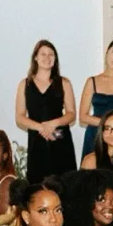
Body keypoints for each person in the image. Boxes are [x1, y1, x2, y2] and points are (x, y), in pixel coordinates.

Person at [15, 38, 76, 183]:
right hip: (36, 140)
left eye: (51, 54)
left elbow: (71, 114)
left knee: (65, 182)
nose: (47, 58)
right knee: (37, 185)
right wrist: (42, 128)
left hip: (60, 138)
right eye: (43, 54)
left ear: (55, 59)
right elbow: (19, 117)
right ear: (35, 57)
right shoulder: (25, 84)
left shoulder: (64, 83)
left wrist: (53, 124)